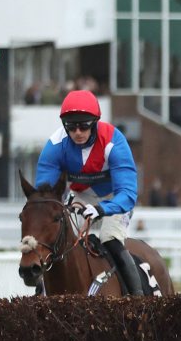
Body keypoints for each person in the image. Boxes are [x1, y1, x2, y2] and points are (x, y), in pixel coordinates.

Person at [33, 90, 144, 296]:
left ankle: (137, 298)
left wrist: (102, 209)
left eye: (84, 126)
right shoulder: (55, 145)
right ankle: (42, 292)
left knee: (109, 238)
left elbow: (128, 193)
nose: (77, 132)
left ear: (95, 123)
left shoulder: (114, 142)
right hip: (80, 197)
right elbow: (45, 195)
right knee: (58, 238)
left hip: (114, 199)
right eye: (71, 127)